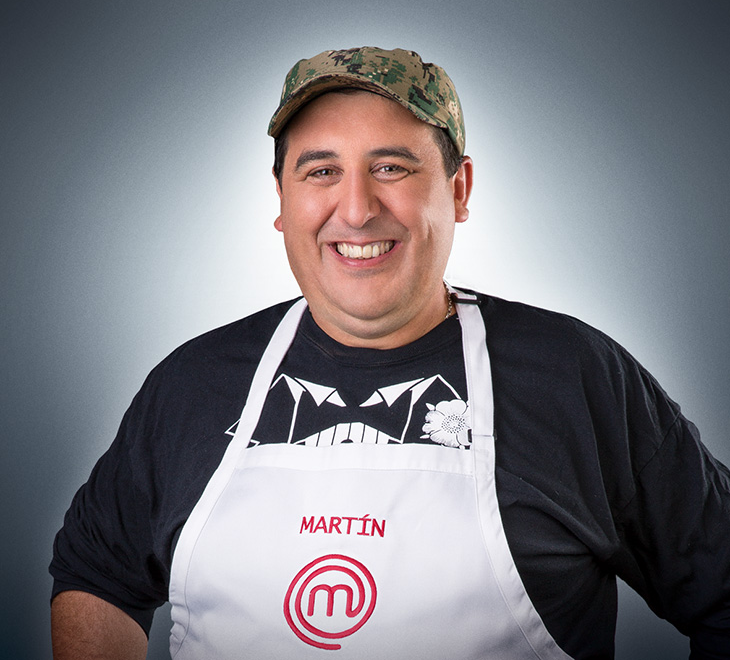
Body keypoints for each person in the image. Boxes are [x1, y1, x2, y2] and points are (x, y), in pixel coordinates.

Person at [50, 46, 730, 659]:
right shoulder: (193, 384)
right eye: (321, 171)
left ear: (458, 190)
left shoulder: (574, 377)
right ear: (282, 199)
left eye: (391, 168)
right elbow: (98, 575)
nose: (356, 209)